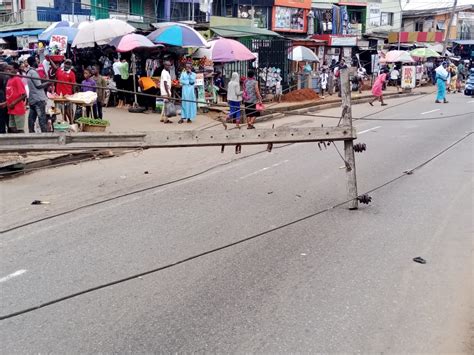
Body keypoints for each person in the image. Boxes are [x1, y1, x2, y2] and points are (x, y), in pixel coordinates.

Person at [26, 56, 49, 132]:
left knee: (32, 118)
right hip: (38, 99)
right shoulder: (33, 72)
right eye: (36, 61)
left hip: (33, 98)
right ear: (33, 63)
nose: (37, 62)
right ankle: (44, 134)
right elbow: (38, 86)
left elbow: (37, 82)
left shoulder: (29, 72)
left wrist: (44, 81)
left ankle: (31, 132)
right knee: (42, 118)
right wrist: (49, 83)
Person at [4, 65, 27, 133]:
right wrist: (5, 103)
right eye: (7, 69)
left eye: (10, 69)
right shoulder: (9, 80)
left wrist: (13, 103)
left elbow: (24, 95)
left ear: (15, 70)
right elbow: (10, 95)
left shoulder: (17, 79)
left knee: (19, 129)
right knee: (12, 128)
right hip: (11, 109)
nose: (8, 71)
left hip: (18, 109)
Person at [54, 59, 76, 123]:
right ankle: (65, 123)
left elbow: (73, 85)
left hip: (68, 95)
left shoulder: (72, 74)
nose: (67, 65)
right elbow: (56, 78)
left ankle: (72, 122)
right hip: (59, 95)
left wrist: (73, 95)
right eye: (66, 63)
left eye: (69, 64)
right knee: (62, 111)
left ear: (71, 65)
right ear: (64, 63)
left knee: (68, 111)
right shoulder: (59, 70)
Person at [0, 62, 9, 133]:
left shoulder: (5, 76)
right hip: (4, 98)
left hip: (3, 98)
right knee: (5, 118)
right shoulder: (5, 76)